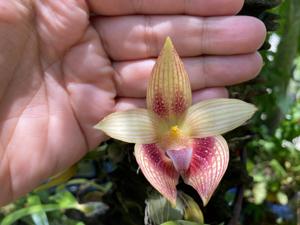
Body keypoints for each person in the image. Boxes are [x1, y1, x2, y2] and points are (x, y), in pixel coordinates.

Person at [0, 0, 266, 206]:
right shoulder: (144, 124)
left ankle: (197, 193)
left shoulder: (168, 121)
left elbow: (231, 113)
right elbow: (117, 125)